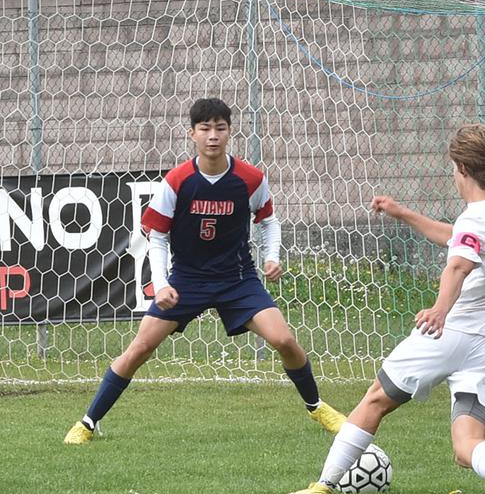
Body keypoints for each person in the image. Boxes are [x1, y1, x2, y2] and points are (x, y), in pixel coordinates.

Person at [63, 98, 345, 445]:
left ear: (229, 132)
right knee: (140, 348)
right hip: (187, 281)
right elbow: (158, 237)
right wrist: (161, 283)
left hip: (238, 280)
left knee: (284, 340)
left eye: (220, 128)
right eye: (205, 129)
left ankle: (317, 407)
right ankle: (88, 423)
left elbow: (268, 221)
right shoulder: (177, 181)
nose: (213, 136)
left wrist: (272, 256)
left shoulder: (251, 179)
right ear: (192, 134)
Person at [284, 124, 485, 494]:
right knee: (467, 444)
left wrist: (439, 309)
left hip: (451, 333)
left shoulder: (473, 221)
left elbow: (459, 266)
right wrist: (404, 214)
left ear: (462, 169)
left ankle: (323, 486)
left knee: (376, 399)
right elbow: (462, 238)